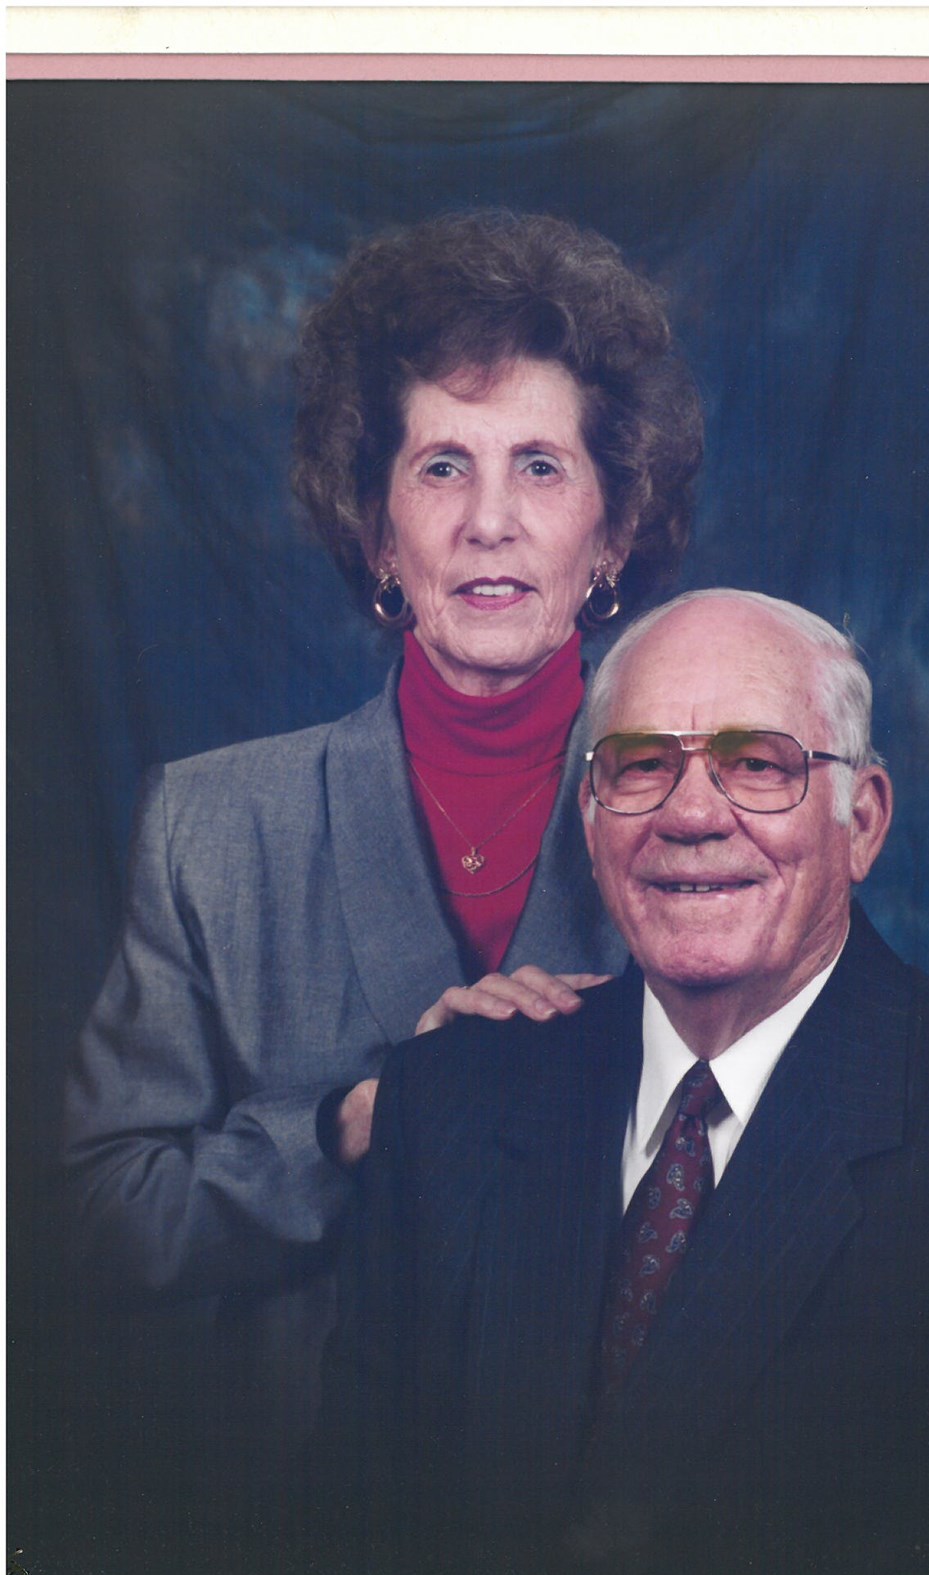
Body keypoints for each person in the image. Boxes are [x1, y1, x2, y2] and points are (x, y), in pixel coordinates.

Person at [320, 589, 929, 1575]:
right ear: (589, 820)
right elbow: (353, 1559)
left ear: (860, 821)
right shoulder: (448, 1101)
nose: (691, 815)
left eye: (759, 765)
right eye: (641, 764)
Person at [60, 210, 704, 1495]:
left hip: (619, 1523)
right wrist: (352, 1125)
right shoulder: (210, 826)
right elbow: (97, 1218)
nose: (488, 522)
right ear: (375, 529)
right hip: (294, 1525)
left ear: (613, 531)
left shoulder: (713, 823)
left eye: (539, 467)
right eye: (440, 467)